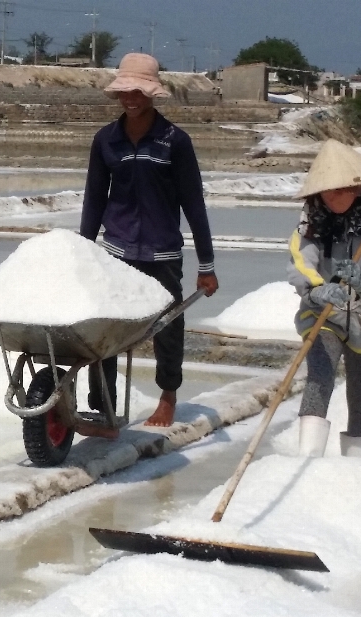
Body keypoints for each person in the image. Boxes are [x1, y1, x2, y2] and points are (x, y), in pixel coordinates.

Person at [80, 53, 219, 427]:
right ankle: (103, 406)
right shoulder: (105, 140)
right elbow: (94, 199)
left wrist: (206, 265)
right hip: (117, 250)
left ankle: (168, 396)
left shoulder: (175, 141)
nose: (131, 98)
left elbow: (194, 204)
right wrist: (82, 251)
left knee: (168, 327)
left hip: (162, 252)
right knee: (105, 328)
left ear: (153, 93)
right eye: (125, 91)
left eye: (138, 91)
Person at [288, 139, 361, 460]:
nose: (335, 196)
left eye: (343, 189)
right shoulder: (310, 222)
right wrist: (315, 289)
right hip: (325, 315)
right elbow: (300, 262)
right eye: (328, 190)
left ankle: (356, 473)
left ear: (359, 188)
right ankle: (307, 462)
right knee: (319, 382)